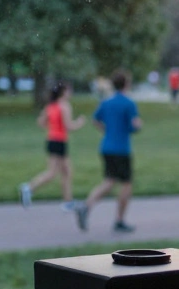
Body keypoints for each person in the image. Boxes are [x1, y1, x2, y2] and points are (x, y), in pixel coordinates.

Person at [78, 70, 142, 232]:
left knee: (109, 181)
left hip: (106, 147)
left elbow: (95, 120)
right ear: (126, 84)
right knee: (126, 184)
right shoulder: (129, 103)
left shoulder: (106, 102)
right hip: (121, 149)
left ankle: (86, 206)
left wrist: (107, 130)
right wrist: (136, 126)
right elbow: (135, 124)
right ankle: (119, 220)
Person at [18, 81, 87, 211]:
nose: (70, 93)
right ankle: (28, 188)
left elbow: (41, 122)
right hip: (60, 141)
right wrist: (80, 123)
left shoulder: (51, 106)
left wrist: (52, 128)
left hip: (52, 140)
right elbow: (69, 126)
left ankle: (68, 201)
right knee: (53, 173)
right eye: (68, 90)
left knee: (66, 171)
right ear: (63, 92)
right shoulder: (65, 106)